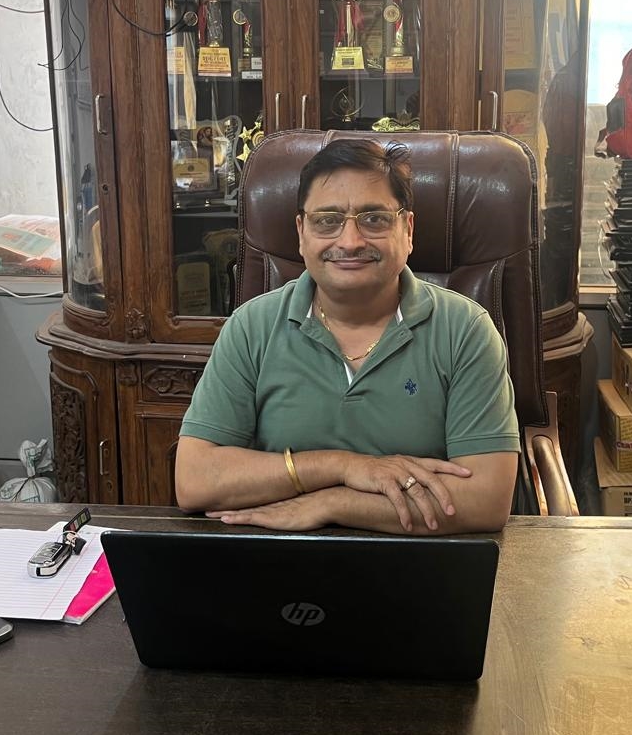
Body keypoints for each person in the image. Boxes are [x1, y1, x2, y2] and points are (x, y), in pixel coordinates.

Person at [175, 139, 520, 535]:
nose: (350, 241)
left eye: (374, 219)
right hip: (280, 556)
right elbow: (194, 481)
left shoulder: (465, 330)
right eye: (327, 220)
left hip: (421, 561)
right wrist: (343, 467)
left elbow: (486, 500)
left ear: (407, 230)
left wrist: (332, 503)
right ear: (301, 232)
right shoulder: (252, 326)